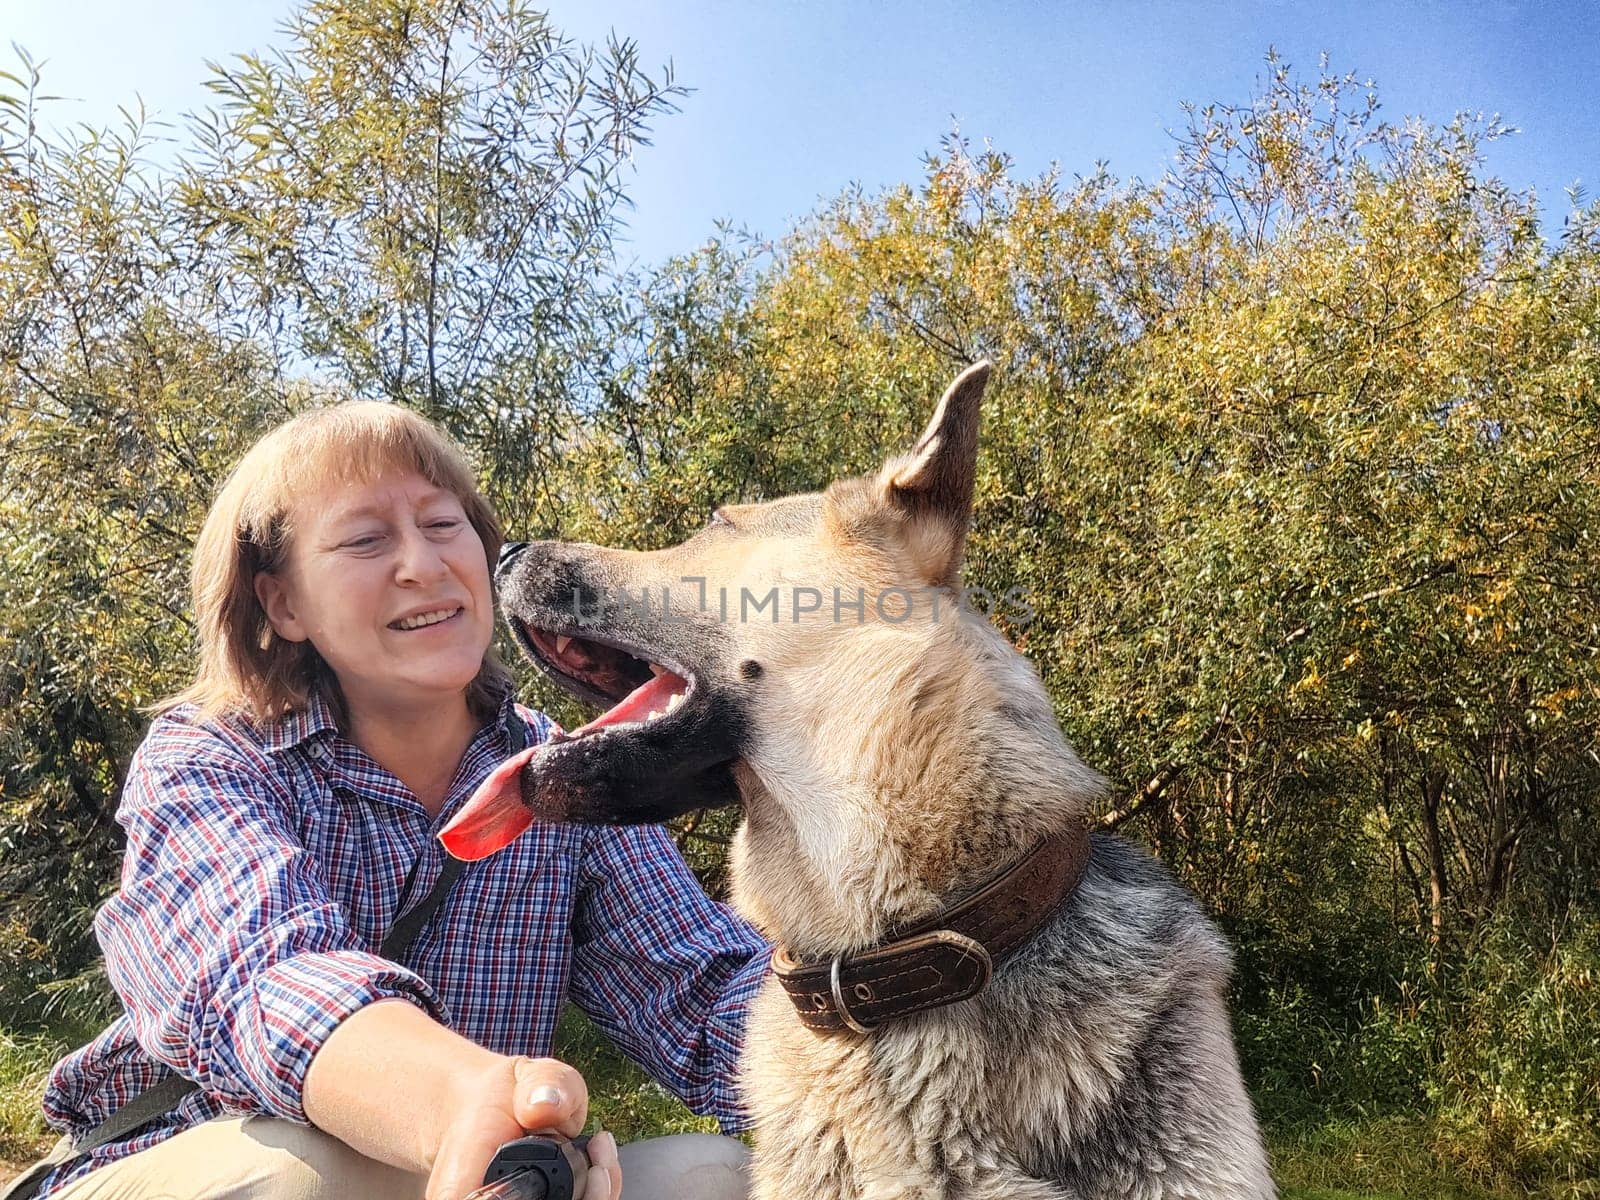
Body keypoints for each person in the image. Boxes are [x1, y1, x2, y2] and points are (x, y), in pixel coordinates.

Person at [13, 402, 770, 1200]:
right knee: (297, 1180)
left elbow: (704, 996)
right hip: (192, 1155)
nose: (424, 564)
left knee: (715, 1179)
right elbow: (263, 976)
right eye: (365, 539)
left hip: (486, 1169)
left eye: (445, 525)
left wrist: (899, 995)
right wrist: (470, 1103)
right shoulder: (208, 755)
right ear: (283, 605)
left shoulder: (555, 775)